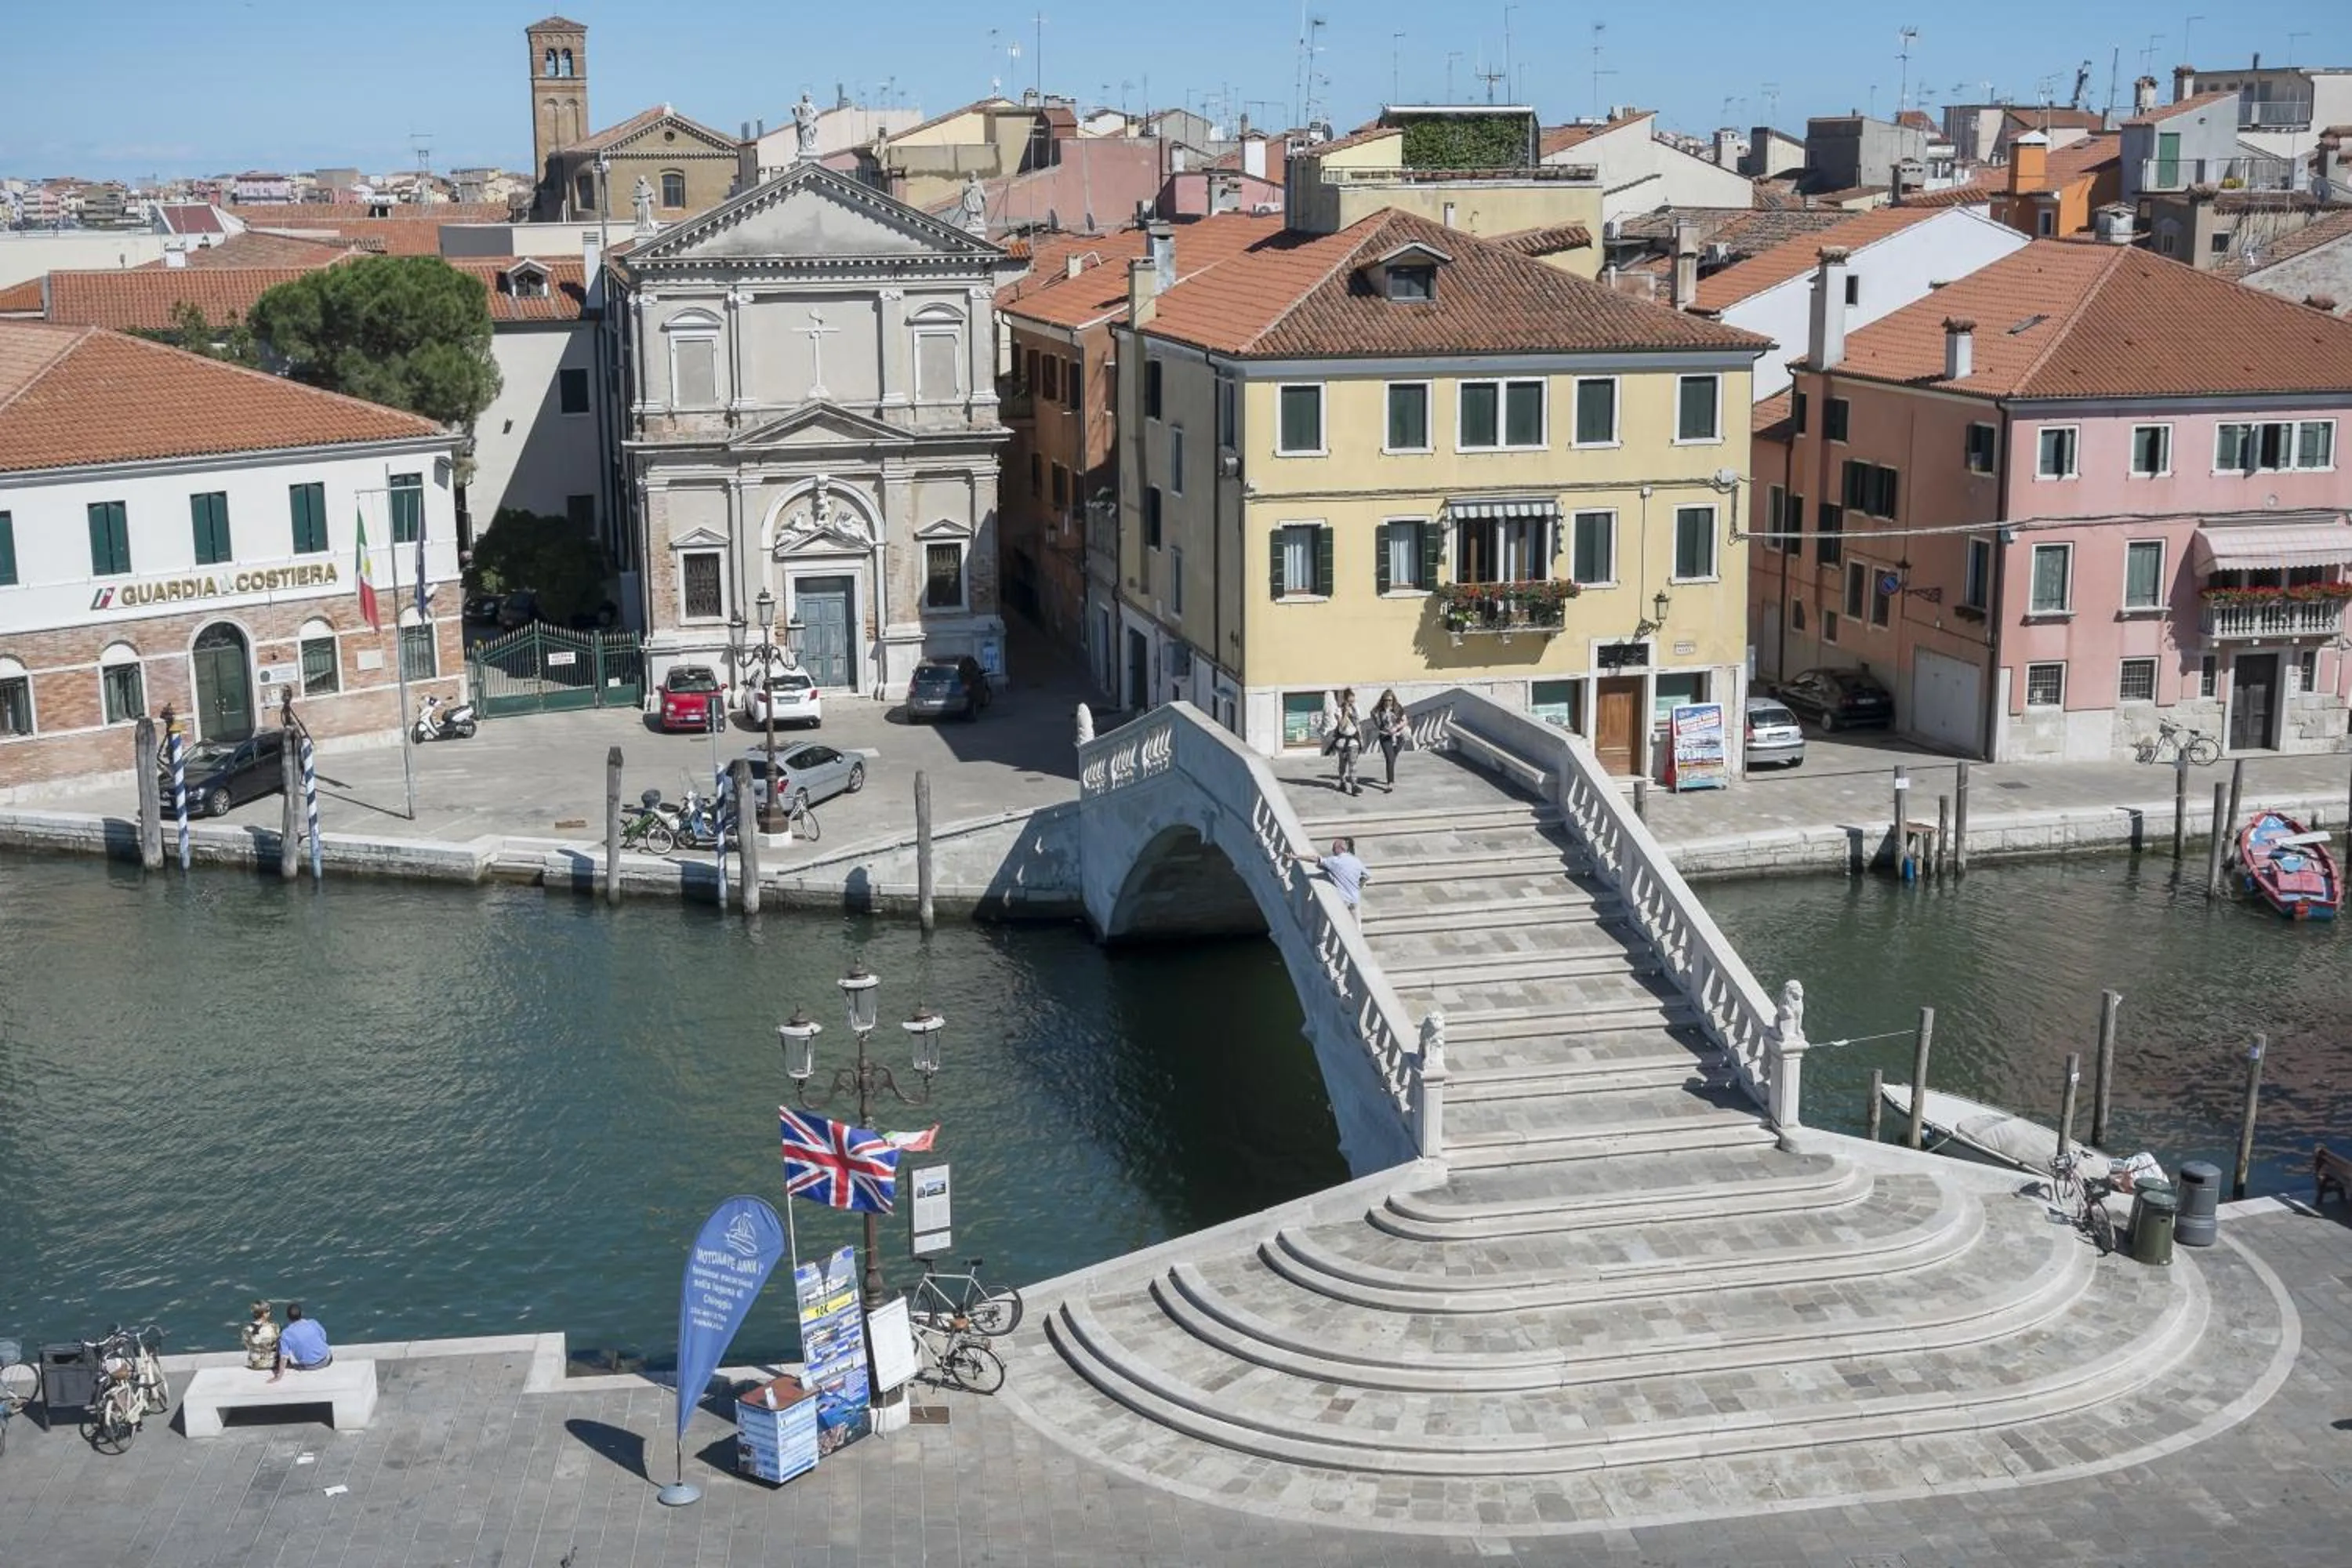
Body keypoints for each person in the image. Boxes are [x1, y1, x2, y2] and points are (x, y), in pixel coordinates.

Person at [1288, 837, 1370, 921]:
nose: (1333, 851)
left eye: (1334, 848)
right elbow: (1367, 876)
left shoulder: (1334, 861)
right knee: (1356, 930)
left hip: (1343, 901)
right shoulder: (1356, 861)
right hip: (1355, 900)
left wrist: (1297, 857)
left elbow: (1316, 859)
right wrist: (1359, 886)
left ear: (1339, 848)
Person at [270, 1303, 332, 1380]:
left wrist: (279, 1376)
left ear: (288, 1317)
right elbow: (324, 1337)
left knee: (282, 1344)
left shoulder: (286, 1333)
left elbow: (284, 1357)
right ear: (301, 1314)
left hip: (309, 1366)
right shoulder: (313, 1322)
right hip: (326, 1359)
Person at [1322, 688, 1364, 797]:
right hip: (1342, 741)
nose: (1352, 704)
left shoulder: (1356, 709)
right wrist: (1345, 712)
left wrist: (1361, 738)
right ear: (1345, 700)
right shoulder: (1338, 711)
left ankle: (1354, 785)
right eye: (1350, 702)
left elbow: (1358, 724)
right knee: (1343, 764)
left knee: (1353, 764)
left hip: (1353, 741)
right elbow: (1342, 725)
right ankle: (1343, 781)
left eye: (1353, 701)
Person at [1370, 690, 1407, 791]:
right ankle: (1390, 783)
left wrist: (1396, 728)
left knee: (1392, 758)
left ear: (1393, 700)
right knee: (1390, 758)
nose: (1388, 702)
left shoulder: (1397, 708)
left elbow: (1405, 721)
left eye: (1390, 700)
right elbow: (1372, 714)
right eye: (1386, 700)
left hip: (1399, 736)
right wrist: (1378, 726)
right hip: (1385, 736)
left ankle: (1390, 774)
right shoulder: (1379, 709)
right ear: (1383, 700)